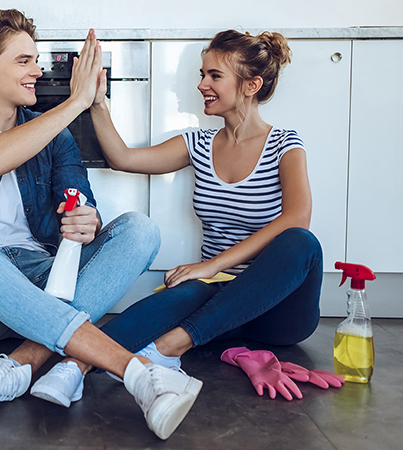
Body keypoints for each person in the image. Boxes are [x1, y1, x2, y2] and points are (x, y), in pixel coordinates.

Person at [0, 9, 202, 440]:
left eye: (36, 59)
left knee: (141, 229)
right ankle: (137, 373)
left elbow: (80, 199)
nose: (38, 70)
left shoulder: (57, 137)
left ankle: (20, 365)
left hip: (41, 282)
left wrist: (87, 219)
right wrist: (74, 104)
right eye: (24, 61)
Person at [39, 29, 323, 400]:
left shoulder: (286, 144)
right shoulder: (199, 144)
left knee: (301, 243)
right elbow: (122, 158)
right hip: (214, 306)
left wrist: (208, 266)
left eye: (214, 76)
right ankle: (73, 368)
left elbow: (297, 218)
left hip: (279, 312)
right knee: (184, 294)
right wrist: (97, 102)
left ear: (251, 85)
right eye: (201, 74)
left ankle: (167, 348)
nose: (202, 84)